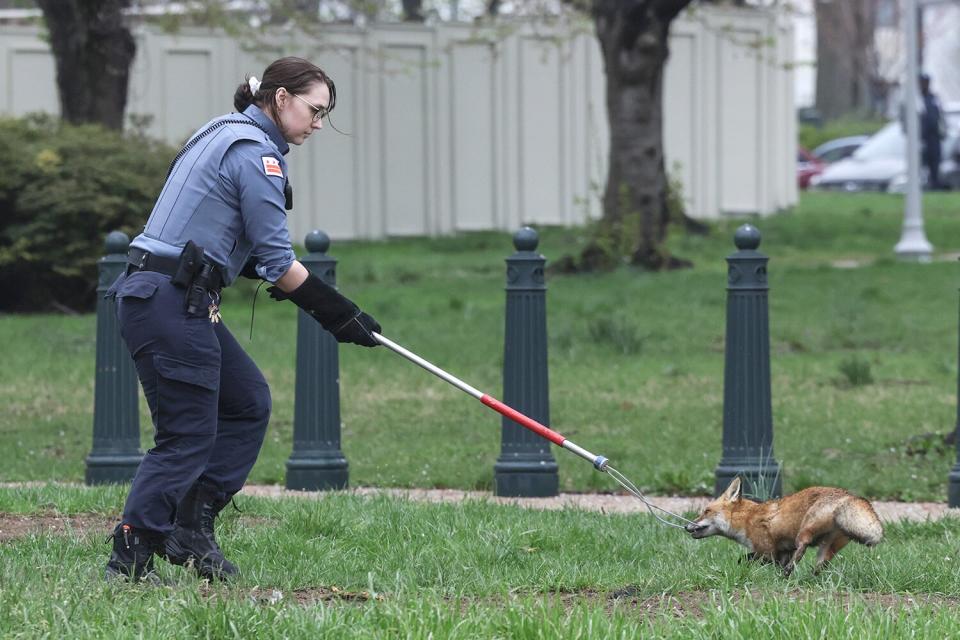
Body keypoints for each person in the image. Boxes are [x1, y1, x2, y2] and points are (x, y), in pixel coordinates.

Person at [104, 57, 381, 581]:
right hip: (168, 299)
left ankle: (191, 522)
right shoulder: (257, 155)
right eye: (314, 110)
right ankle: (129, 556)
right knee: (186, 436)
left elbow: (210, 225)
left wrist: (243, 263)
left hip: (167, 294)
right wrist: (341, 316)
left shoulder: (219, 130)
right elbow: (278, 262)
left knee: (246, 401)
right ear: (280, 99)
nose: (318, 123)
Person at [919, 73, 946, 190]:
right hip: (921, 138)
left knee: (935, 164)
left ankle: (934, 185)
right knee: (921, 165)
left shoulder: (934, 98)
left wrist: (942, 132)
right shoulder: (916, 99)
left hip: (934, 138)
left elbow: (940, 117)